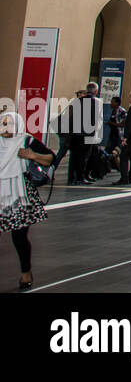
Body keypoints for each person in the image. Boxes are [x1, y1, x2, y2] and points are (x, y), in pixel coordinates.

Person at [0, 110, 54, 291]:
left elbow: (50, 158)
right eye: (3, 123)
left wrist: (32, 156)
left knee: (19, 236)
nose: (5, 127)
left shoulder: (27, 141)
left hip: (19, 193)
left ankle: (26, 272)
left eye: (9, 124)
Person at [68, 83, 100, 186]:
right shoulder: (94, 103)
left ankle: (71, 178)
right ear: (95, 91)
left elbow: (72, 118)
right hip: (87, 134)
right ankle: (80, 178)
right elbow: (94, 121)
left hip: (76, 133)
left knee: (74, 156)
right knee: (83, 157)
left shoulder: (78, 101)